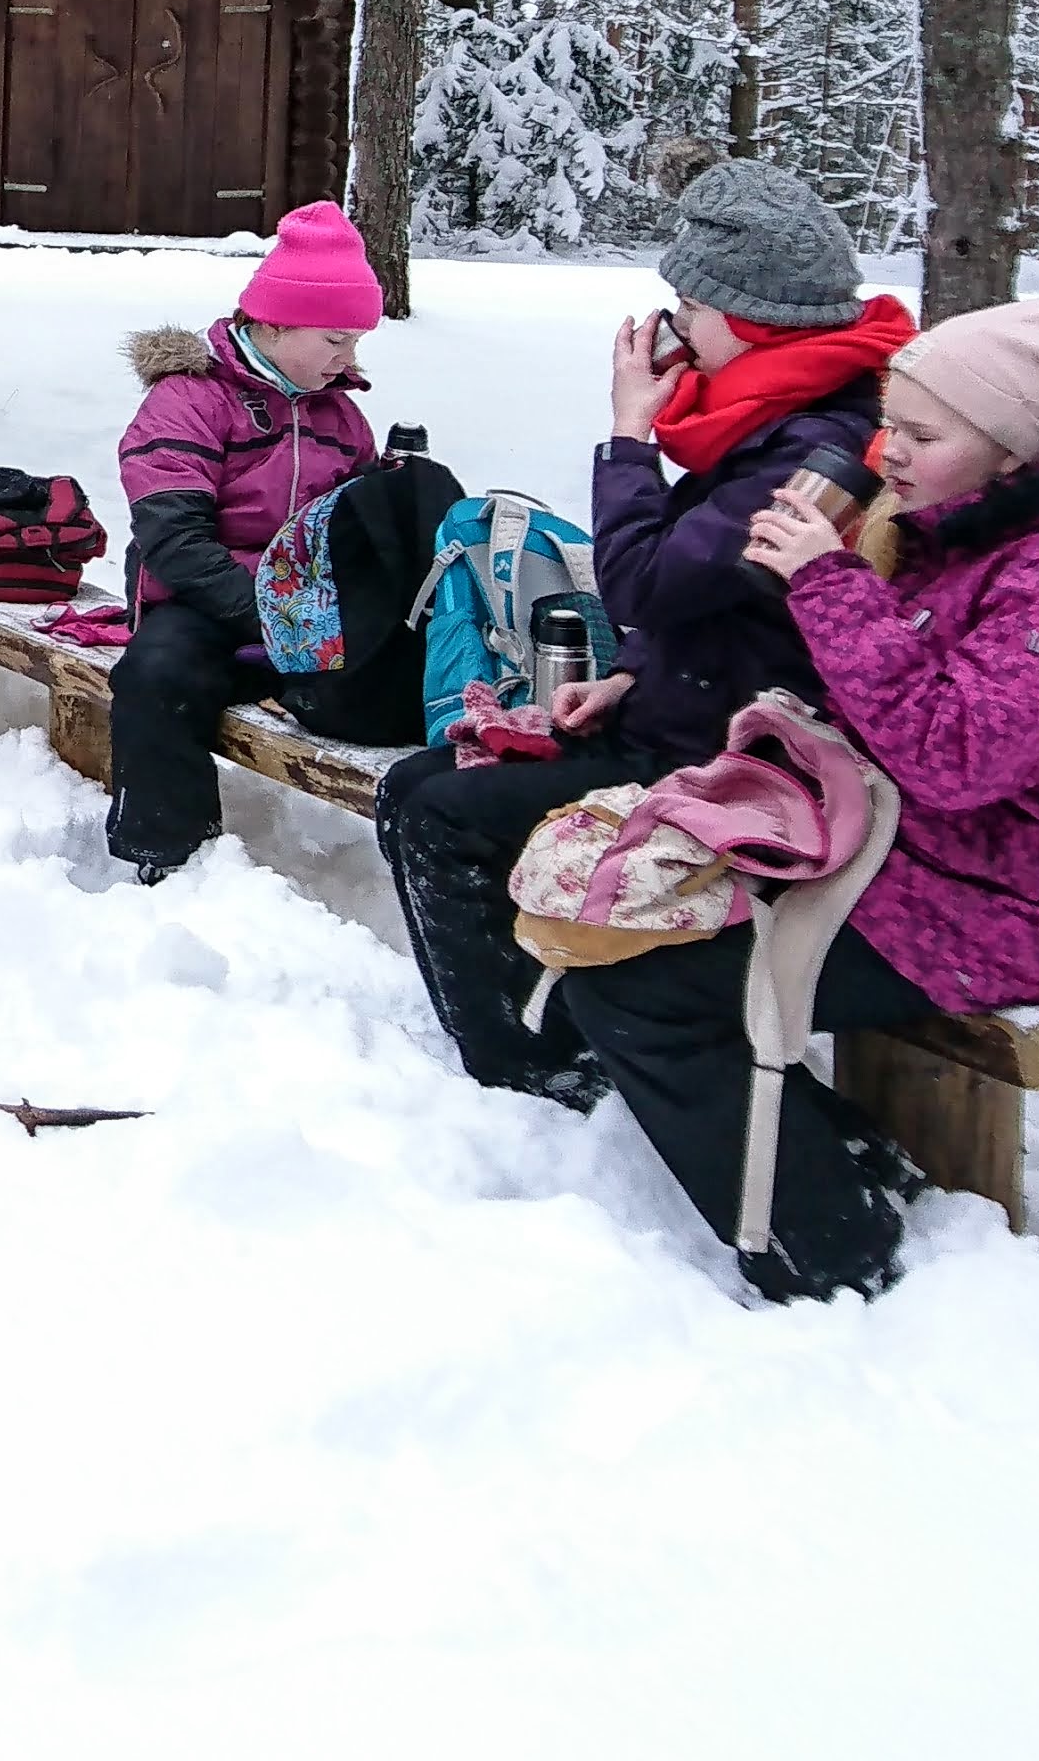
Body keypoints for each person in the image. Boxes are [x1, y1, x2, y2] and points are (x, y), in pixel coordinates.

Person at [559, 295, 1039, 1302]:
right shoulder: (953, 527)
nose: (890, 452)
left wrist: (830, 585)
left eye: (923, 435)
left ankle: (832, 1260)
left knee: (644, 986)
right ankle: (859, 1177)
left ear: (1013, 450)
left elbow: (956, 754)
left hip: (999, 902)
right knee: (618, 926)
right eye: (892, 425)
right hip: (891, 856)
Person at [377, 155, 915, 1089]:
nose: (673, 329)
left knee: (441, 816)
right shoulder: (772, 414)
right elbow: (706, 597)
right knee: (419, 786)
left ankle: (534, 1065)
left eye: (689, 308)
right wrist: (629, 673)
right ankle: (532, 1022)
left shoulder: (815, 449)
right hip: (690, 712)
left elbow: (641, 583)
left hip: (740, 762)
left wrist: (628, 435)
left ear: (747, 319)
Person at [105, 201, 462, 883]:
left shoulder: (342, 417)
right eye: (335, 341)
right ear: (272, 324)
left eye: (355, 343)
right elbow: (172, 539)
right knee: (157, 678)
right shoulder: (189, 400)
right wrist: (273, 614)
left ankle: (413, 859)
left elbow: (353, 537)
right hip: (204, 602)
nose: (348, 359)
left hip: (311, 611)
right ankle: (166, 854)